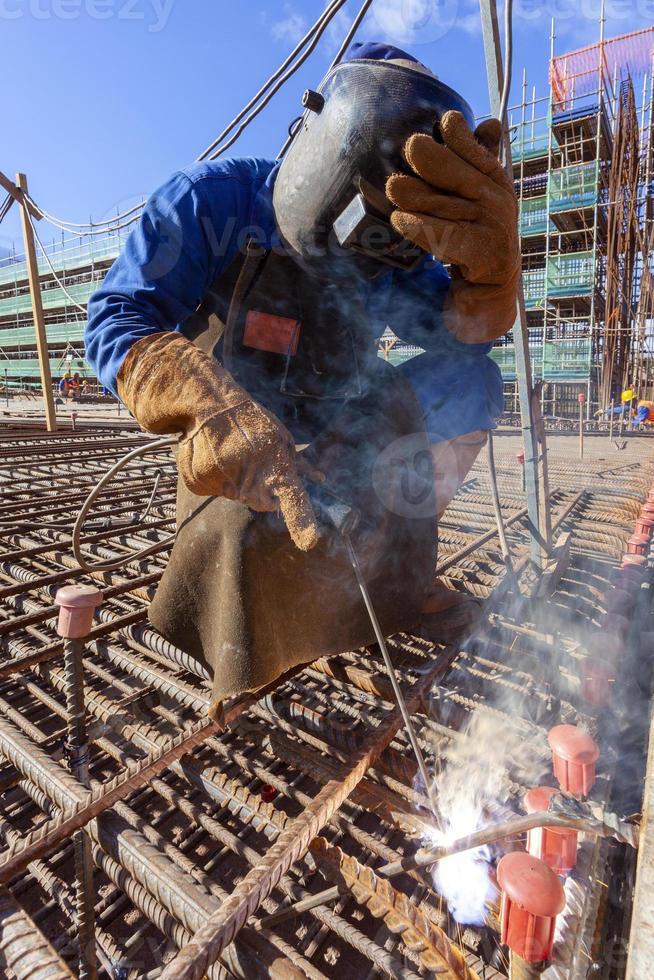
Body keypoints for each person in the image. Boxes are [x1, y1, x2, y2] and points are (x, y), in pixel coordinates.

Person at [86, 42, 519, 719]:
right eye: (359, 215)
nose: (372, 248)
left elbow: (460, 339)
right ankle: (245, 645)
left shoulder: (399, 247)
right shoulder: (212, 200)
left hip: (344, 421)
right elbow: (116, 317)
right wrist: (207, 411)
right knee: (236, 546)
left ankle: (399, 575)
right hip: (237, 434)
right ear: (321, 148)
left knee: (474, 379)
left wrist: (486, 290)